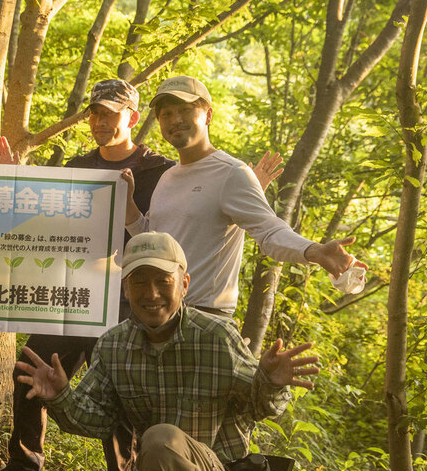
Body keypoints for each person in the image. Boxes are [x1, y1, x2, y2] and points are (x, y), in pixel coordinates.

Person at [17, 231, 320, 471]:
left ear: (184, 283)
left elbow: (258, 409)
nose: (152, 293)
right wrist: (58, 397)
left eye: (163, 281)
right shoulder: (113, 346)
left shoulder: (216, 337)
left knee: (161, 437)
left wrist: (271, 382)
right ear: (126, 287)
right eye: (140, 281)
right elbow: (96, 420)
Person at [0, 79, 176, 471]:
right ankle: (25, 463)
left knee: (122, 387)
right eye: (94, 113)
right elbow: (45, 217)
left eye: (110, 113)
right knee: (30, 367)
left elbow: (176, 225)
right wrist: (11, 178)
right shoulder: (77, 168)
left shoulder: (159, 171)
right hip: (73, 294)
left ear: (133, 118)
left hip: (127, 302)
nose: (100, 121)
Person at [126, 75, 366, 315]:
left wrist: (316, 251)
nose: (175, 119)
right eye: (166, 114)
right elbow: (152, 240)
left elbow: (270, 231)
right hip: (158, 315)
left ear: (208, 115)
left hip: (205, 316)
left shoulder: (231, 173)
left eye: (185, 109)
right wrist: (128, 207)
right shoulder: (167, 177)